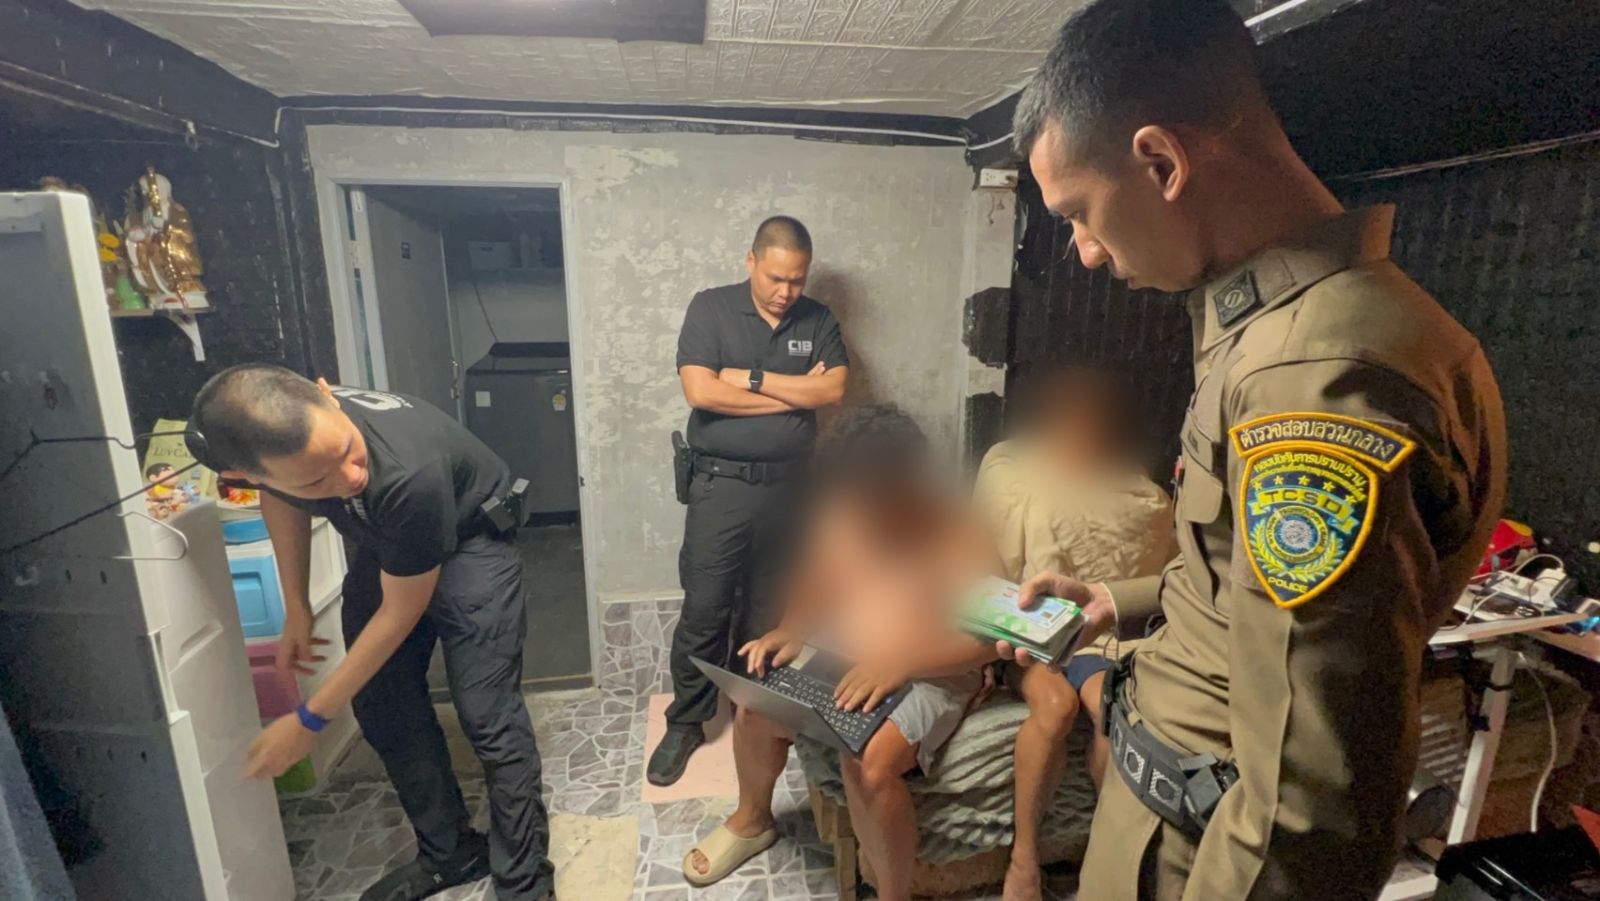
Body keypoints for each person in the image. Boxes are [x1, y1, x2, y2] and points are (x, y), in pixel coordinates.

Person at [998, 2, 1507, 898]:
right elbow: (1244, 583)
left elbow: (1309, 802)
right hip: (1172, 815)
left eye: (1079, 212)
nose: (1083, 253)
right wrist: (1114, 601)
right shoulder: (1285, 332)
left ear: (1161, 162)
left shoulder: (1311, 377)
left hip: (1202, 854)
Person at [189, 366, 556, 901]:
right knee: (382, 702)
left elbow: (400, 612)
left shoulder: (408, 470)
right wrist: (296, 606)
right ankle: (451, 853)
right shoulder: (248, 435)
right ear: (245, 475)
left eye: (347, 451)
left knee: (488, 715)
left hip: (472, 539)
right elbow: (281, 497)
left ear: (326, 393)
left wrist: (310, 718)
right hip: (391, 539)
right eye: (317, 480)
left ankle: (526, 883)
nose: (349, 477)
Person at [682, 405, 995, 899]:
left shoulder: (959, 531)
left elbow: (988, 640)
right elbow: (816, 579)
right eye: (861, 500)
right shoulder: (840, 512)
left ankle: (894, 894)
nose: (872, 514)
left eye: (884, 499)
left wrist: (903, 662)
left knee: (869, 762)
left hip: (926, 670)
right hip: (841, 650)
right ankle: (752, 820)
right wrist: (790, 628)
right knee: (755, 707)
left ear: (911, 477)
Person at [649, 216, 851, 786]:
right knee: (705, 609)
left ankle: (755, 713)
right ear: (751, 262)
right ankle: (686, 722)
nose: (786, 291)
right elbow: (700, 390)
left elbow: (834, 389)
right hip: (721, 487)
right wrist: (795, 394)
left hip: (792, 487)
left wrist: (750, 380)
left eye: (797, 280)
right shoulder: (711, 308)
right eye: (775, 278)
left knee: (770, 608)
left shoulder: (818, 319)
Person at [972, 365, 1175, 901]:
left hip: (1096, 636)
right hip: (1024, 629)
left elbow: (1155, 551)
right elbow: (989, 551)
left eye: (1096, 427)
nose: (1083, 437)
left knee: (1113, 711)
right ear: (1050, 423)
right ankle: (1023, 859)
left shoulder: (1135, 486)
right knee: (1056, 707)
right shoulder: (1008, 466)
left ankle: (1101, 861)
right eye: (1073, 424)